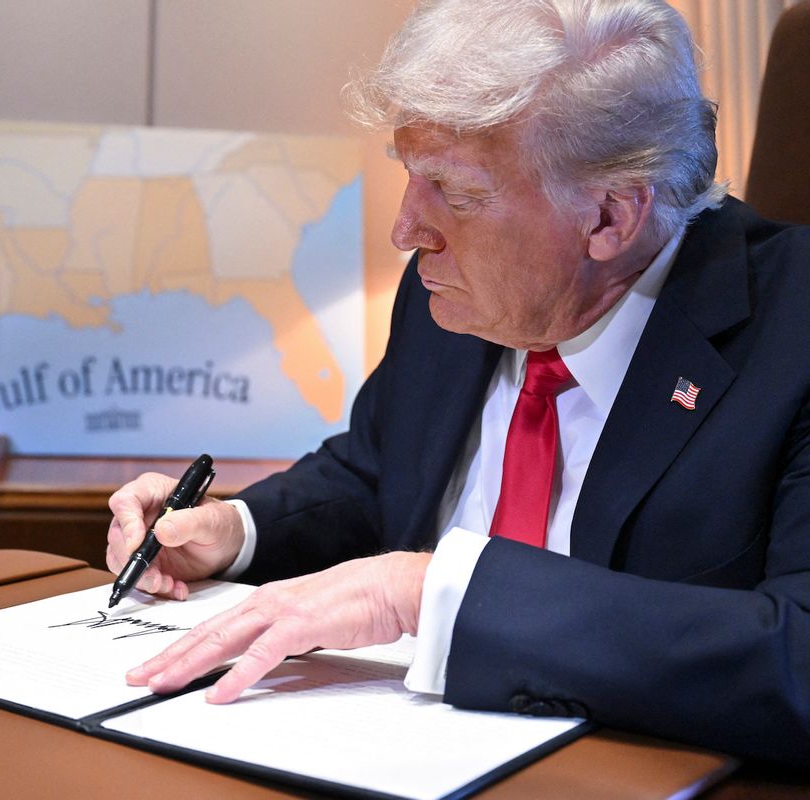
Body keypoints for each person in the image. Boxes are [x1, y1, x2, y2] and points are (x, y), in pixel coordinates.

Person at [105, 0, 810, 767]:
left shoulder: (793, 329)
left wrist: (425, 593)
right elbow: (375, 471)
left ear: (610, 216)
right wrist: (233, 530)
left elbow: (796, 656)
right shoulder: (453, 291)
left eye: (458, 193)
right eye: (410, 178)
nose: (407, 231)